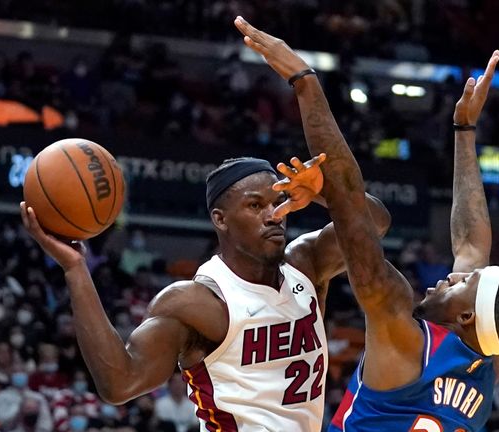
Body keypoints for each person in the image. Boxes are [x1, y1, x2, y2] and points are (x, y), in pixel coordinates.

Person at [232, 18, 499, 431]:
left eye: (462, 284)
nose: (449, 279)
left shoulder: (403, 332)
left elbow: (357, 227)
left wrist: (305, 82)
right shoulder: (488, 362)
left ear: (466, 316)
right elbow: (470, 243)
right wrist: (464, 130)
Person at [20, 142, 391, 430]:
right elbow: (119, 384)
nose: (272, 215)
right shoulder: (197, 301)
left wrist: (324, 190)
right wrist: (75, 269)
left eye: (279, 202)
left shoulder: (306, 263)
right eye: (255, 205)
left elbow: (375, 223)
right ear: (220, 219)